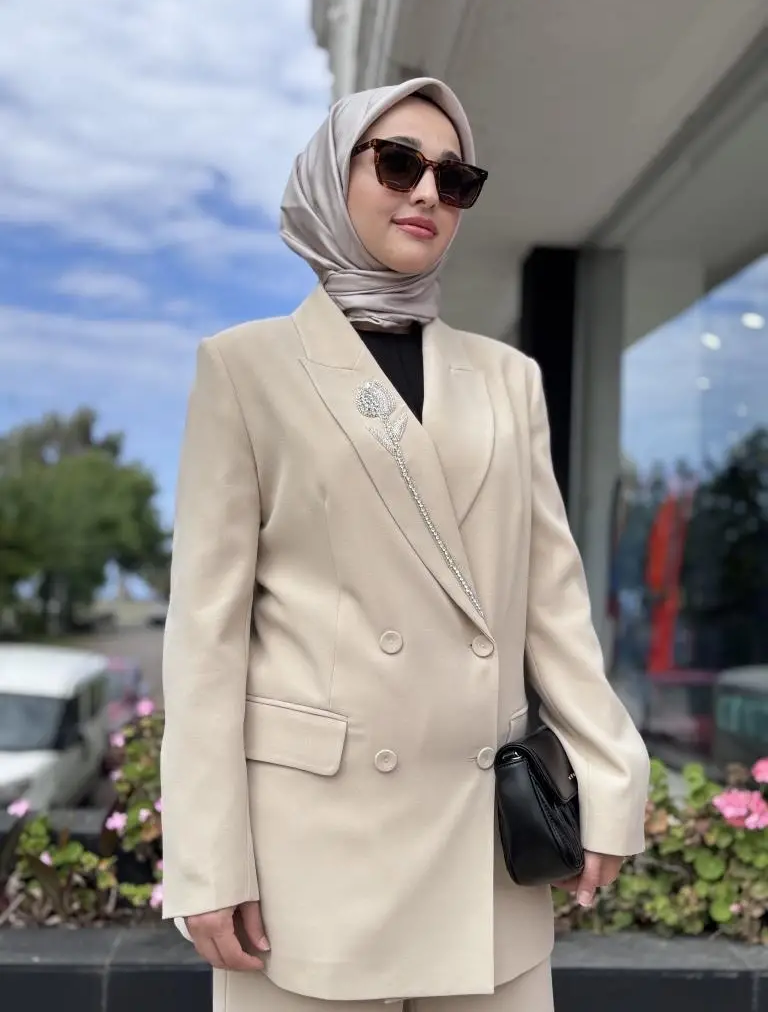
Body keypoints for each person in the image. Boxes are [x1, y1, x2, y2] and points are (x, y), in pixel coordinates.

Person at [160, 77, 650, 1012]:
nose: (428, 191)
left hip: (483, 857)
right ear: (330, 177)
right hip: (309, 859)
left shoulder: (509, 379)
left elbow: (552, 606)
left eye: (455, 178)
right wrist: (207, 859)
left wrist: (611, 775)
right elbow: (206, 637)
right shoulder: (244, 368)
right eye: (397, 164)